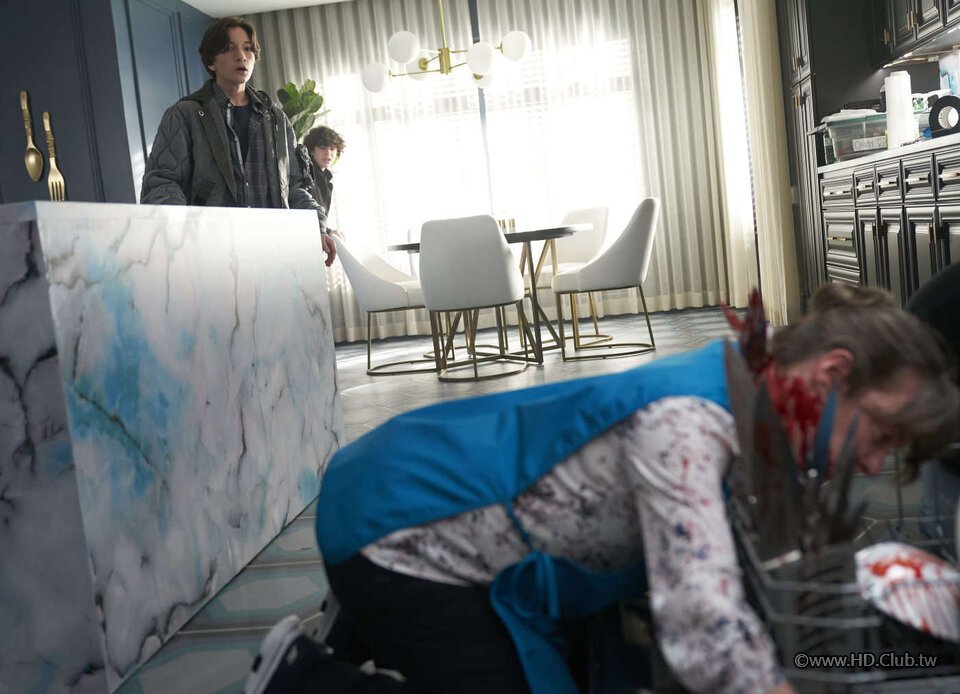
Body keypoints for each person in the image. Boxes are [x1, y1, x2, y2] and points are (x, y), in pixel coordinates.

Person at [247, 284, 959, 694]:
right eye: (884, 436)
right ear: (831, 375)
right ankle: (303, 675)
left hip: (453, 502)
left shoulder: (756, 384)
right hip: (398, 525)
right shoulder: (689, 424)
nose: (876, 466)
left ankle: (369, 624)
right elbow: (702, 626)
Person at [140, 16, 336, 267]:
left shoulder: (277, 119)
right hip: (210, 257)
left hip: (272, 255)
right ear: (211, 61)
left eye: (248, 48)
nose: (241, 56)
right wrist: (181, 236)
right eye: (229, 48)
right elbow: (162, 182)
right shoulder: (185, 114)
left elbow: (294, 187)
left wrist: (317, 227)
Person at [299, 126, 346, 235]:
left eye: (332, 148)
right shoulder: (306, 175)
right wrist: (329, 232)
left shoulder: (326, 179)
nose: (328, 153)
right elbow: (308, 215)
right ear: (311, 150)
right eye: (322, 147)